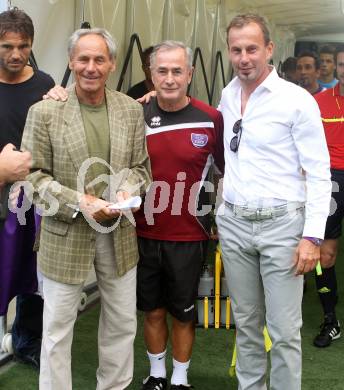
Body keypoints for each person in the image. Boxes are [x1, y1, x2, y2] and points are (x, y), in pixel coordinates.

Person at [21, 28, 151, 390]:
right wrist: (81, 203)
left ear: (111, 63)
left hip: (118, 235)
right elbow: (33, 177)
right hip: (65, 235)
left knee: (122, 323)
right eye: (83, 59)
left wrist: (128, 188)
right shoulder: (44, 111)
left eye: (99, 59)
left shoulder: (129, 109)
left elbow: (142, 168)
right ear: (70, 62)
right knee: (57, 330)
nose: (90, 67)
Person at [216, 13, 331, 390]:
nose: (244, 57)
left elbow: (318, 174)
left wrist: (312, 237)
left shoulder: (297, 101)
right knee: (247, 326)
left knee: (283, 331)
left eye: (252, 48)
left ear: (269, 48)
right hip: (233, 224)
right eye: (236, 50)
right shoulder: (228, 95)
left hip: (282, 225)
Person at [135, 41, 224, 390]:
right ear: (151, 74)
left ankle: (180, 378)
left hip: (190, 234)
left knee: (183, 312)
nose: (169, 79)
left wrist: (216, 217)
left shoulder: (211, 118)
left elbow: (223, 172)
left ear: (189, 74)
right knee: (153, 310)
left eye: (177, 71)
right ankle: (157, 374)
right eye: (162, 71)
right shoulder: (135, 114)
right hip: (142, 232)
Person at [0, 8, 54, 368]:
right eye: (6, 46)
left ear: (32, 44)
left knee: (33, 273)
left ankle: (27, 340)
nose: (15, 54)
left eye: (23, 46)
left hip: (33, 199)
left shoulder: (46, 85)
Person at [313, 44, 344, 348]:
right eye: (343, 64)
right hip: (332, 181)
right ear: (335, 68)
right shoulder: (318, 102)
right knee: (325, 255)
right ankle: (330, 320)